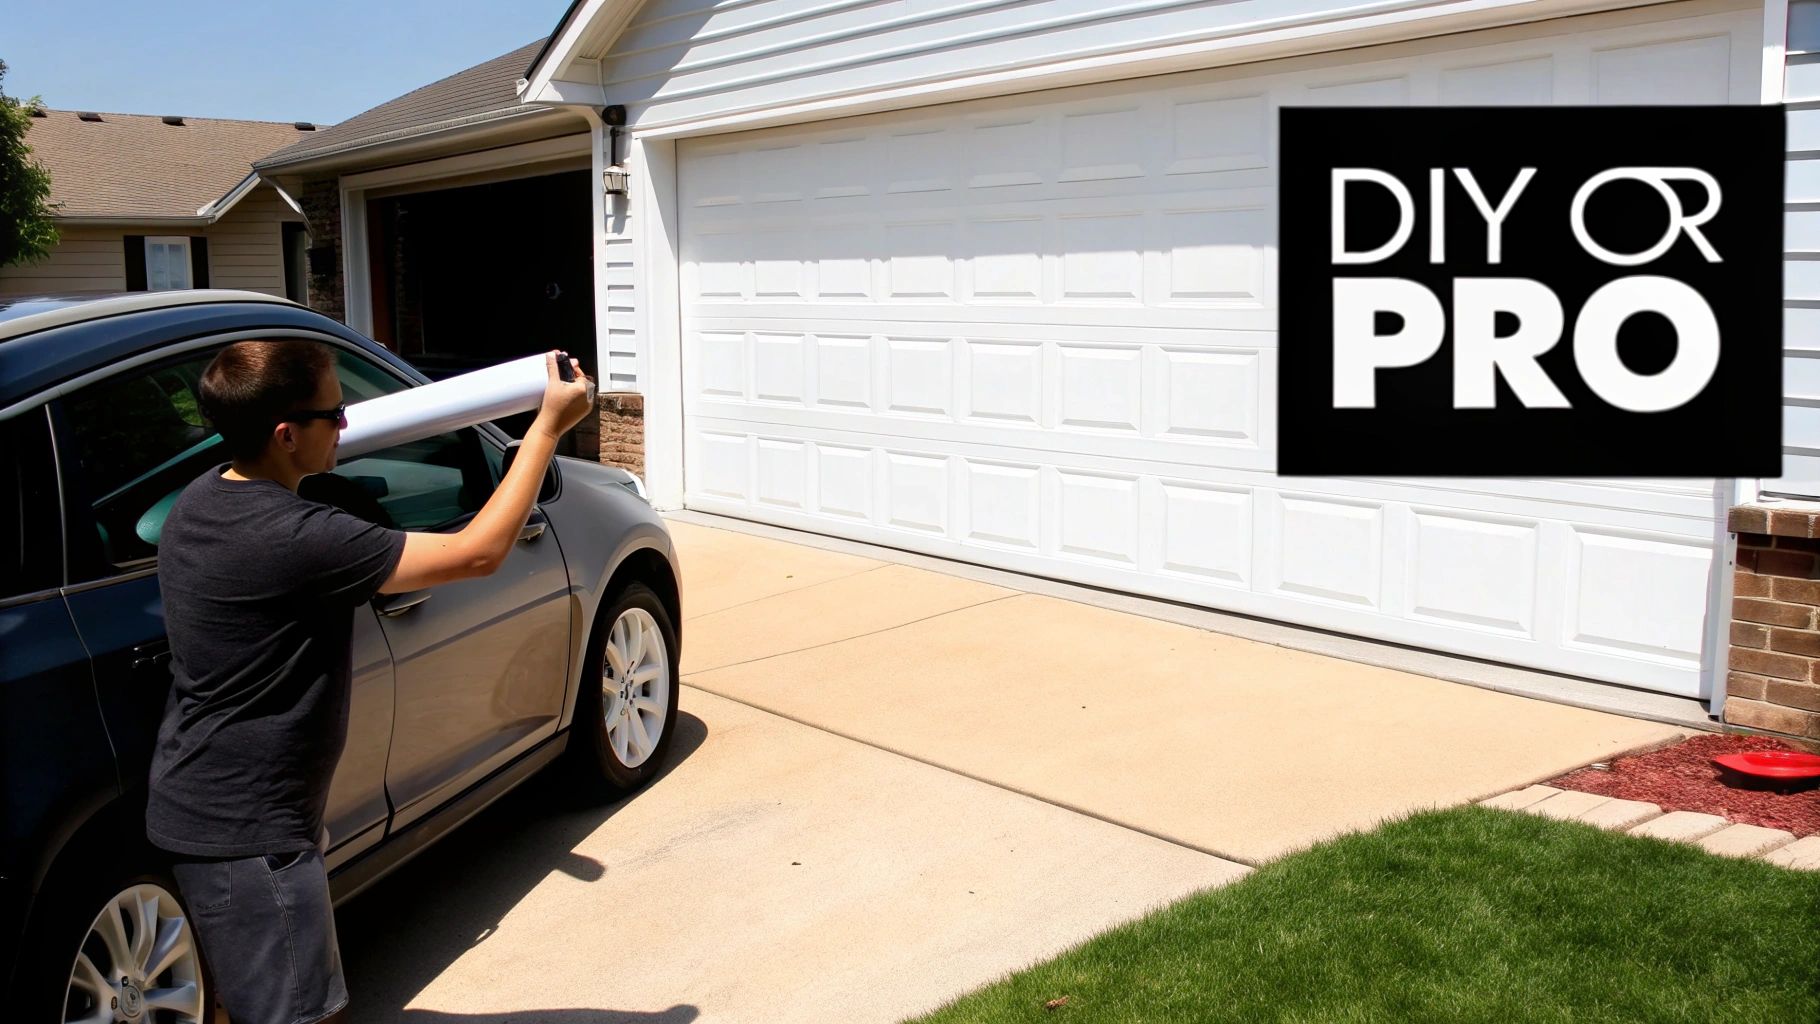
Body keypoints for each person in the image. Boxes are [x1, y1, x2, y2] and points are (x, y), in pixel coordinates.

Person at [145, 340, 594, 1024]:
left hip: (208, 809)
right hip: (251, 837)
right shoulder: (295, 537)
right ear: (286, 435)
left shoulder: (202, 502)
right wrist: (545, 428)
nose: (348, 425)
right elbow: (477, 553)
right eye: (336, 413)